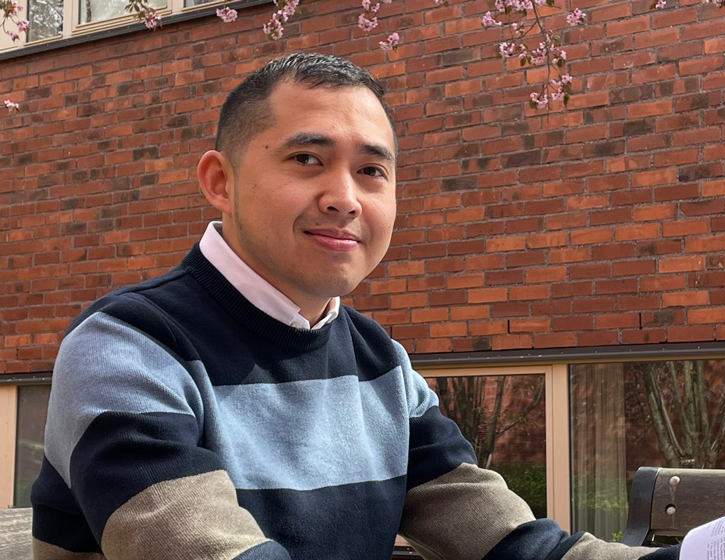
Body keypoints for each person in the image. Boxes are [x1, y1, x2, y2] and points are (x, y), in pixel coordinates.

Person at [30, 53, 681, 560]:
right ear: (220, 182)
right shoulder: (129, 343)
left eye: (372, 171)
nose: (345, 197)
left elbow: (509, 544)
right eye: (308, 159)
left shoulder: (382, 367)